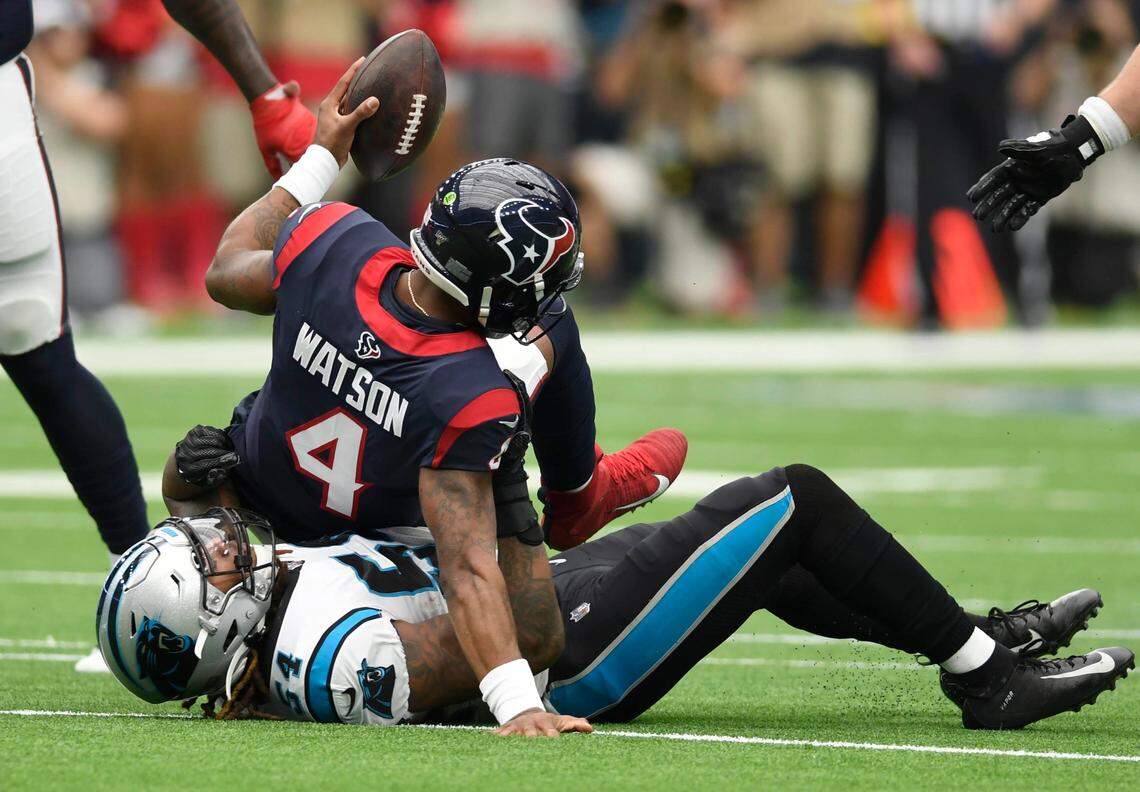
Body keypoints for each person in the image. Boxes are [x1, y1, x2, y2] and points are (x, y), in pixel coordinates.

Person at [192, 59, 687, 736]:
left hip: (271, 505)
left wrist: (319, 155)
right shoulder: (467, 385)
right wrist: (517, 704)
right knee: (555, 329)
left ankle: (583, 490)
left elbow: (226, 269)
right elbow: (466, 565)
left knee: (191, 461)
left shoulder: (334, 237)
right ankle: (580, 491)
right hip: (376, 537)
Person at [98, 467, 1132, 733]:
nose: (227, 549)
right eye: (214, 570)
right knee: (790, 501)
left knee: (767, 554)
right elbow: (506, 649)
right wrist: (511, 511)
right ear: (207, 630)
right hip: (571, 648)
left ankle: (979, 639)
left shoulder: (282, 616)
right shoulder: (329, 660)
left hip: (546, 606)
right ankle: (989, 679)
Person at [970, 37, 1140, 232]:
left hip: (1120, 208)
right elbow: (1024, 94)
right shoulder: (1057, 42)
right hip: (1067, 215)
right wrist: (1079, 141)